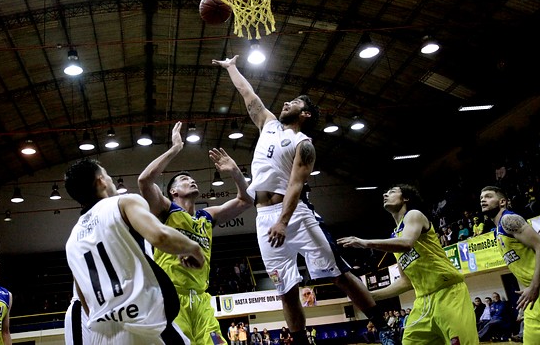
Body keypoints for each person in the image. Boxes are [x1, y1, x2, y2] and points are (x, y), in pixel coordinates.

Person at [213, 55, 393, 345]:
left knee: (338, 274)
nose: (286, 103)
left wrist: (284, 221)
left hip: (295, 216)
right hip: (264, 218)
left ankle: (383, 325)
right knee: (285, 289)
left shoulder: (303, 144)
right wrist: (231, 68)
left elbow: (296, 185)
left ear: (305, 114)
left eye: (295, 102)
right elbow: (249, 96)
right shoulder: (268, 125)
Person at [64, 158, 205, 344]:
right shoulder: (123, 203)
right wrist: (193, 248)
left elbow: (84, 298)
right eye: (108, 175)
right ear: (101, 181)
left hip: (102, 336)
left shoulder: (71, 240)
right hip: (145, 326)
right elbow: (160, 236)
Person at [138, 121, 252, 345]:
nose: (190, 180)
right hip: (171, 298)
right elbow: (144, 180)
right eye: (183, 180)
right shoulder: (167, 210)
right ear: (173, 192)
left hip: (201, 301)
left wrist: (236, 173)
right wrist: (175, 148)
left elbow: (246, 200)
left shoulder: (206, 216)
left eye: (191, 178)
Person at [337, 184, 479, 344]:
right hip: (423, 302)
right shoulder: (394, 236)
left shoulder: (413, 215)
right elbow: (406, 281)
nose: (385, 194)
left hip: (449, 294)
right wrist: (370, 296)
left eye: (391, 192)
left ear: (405, 198)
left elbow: (407, 243)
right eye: (385, 192)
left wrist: (364, 243)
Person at [481, 185, 540, 344]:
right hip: (532, 294)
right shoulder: (497, 231)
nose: (483, 200)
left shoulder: (508, 220)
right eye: (481, 198)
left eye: (488, 196)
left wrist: (534, 286)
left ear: (502, 202)